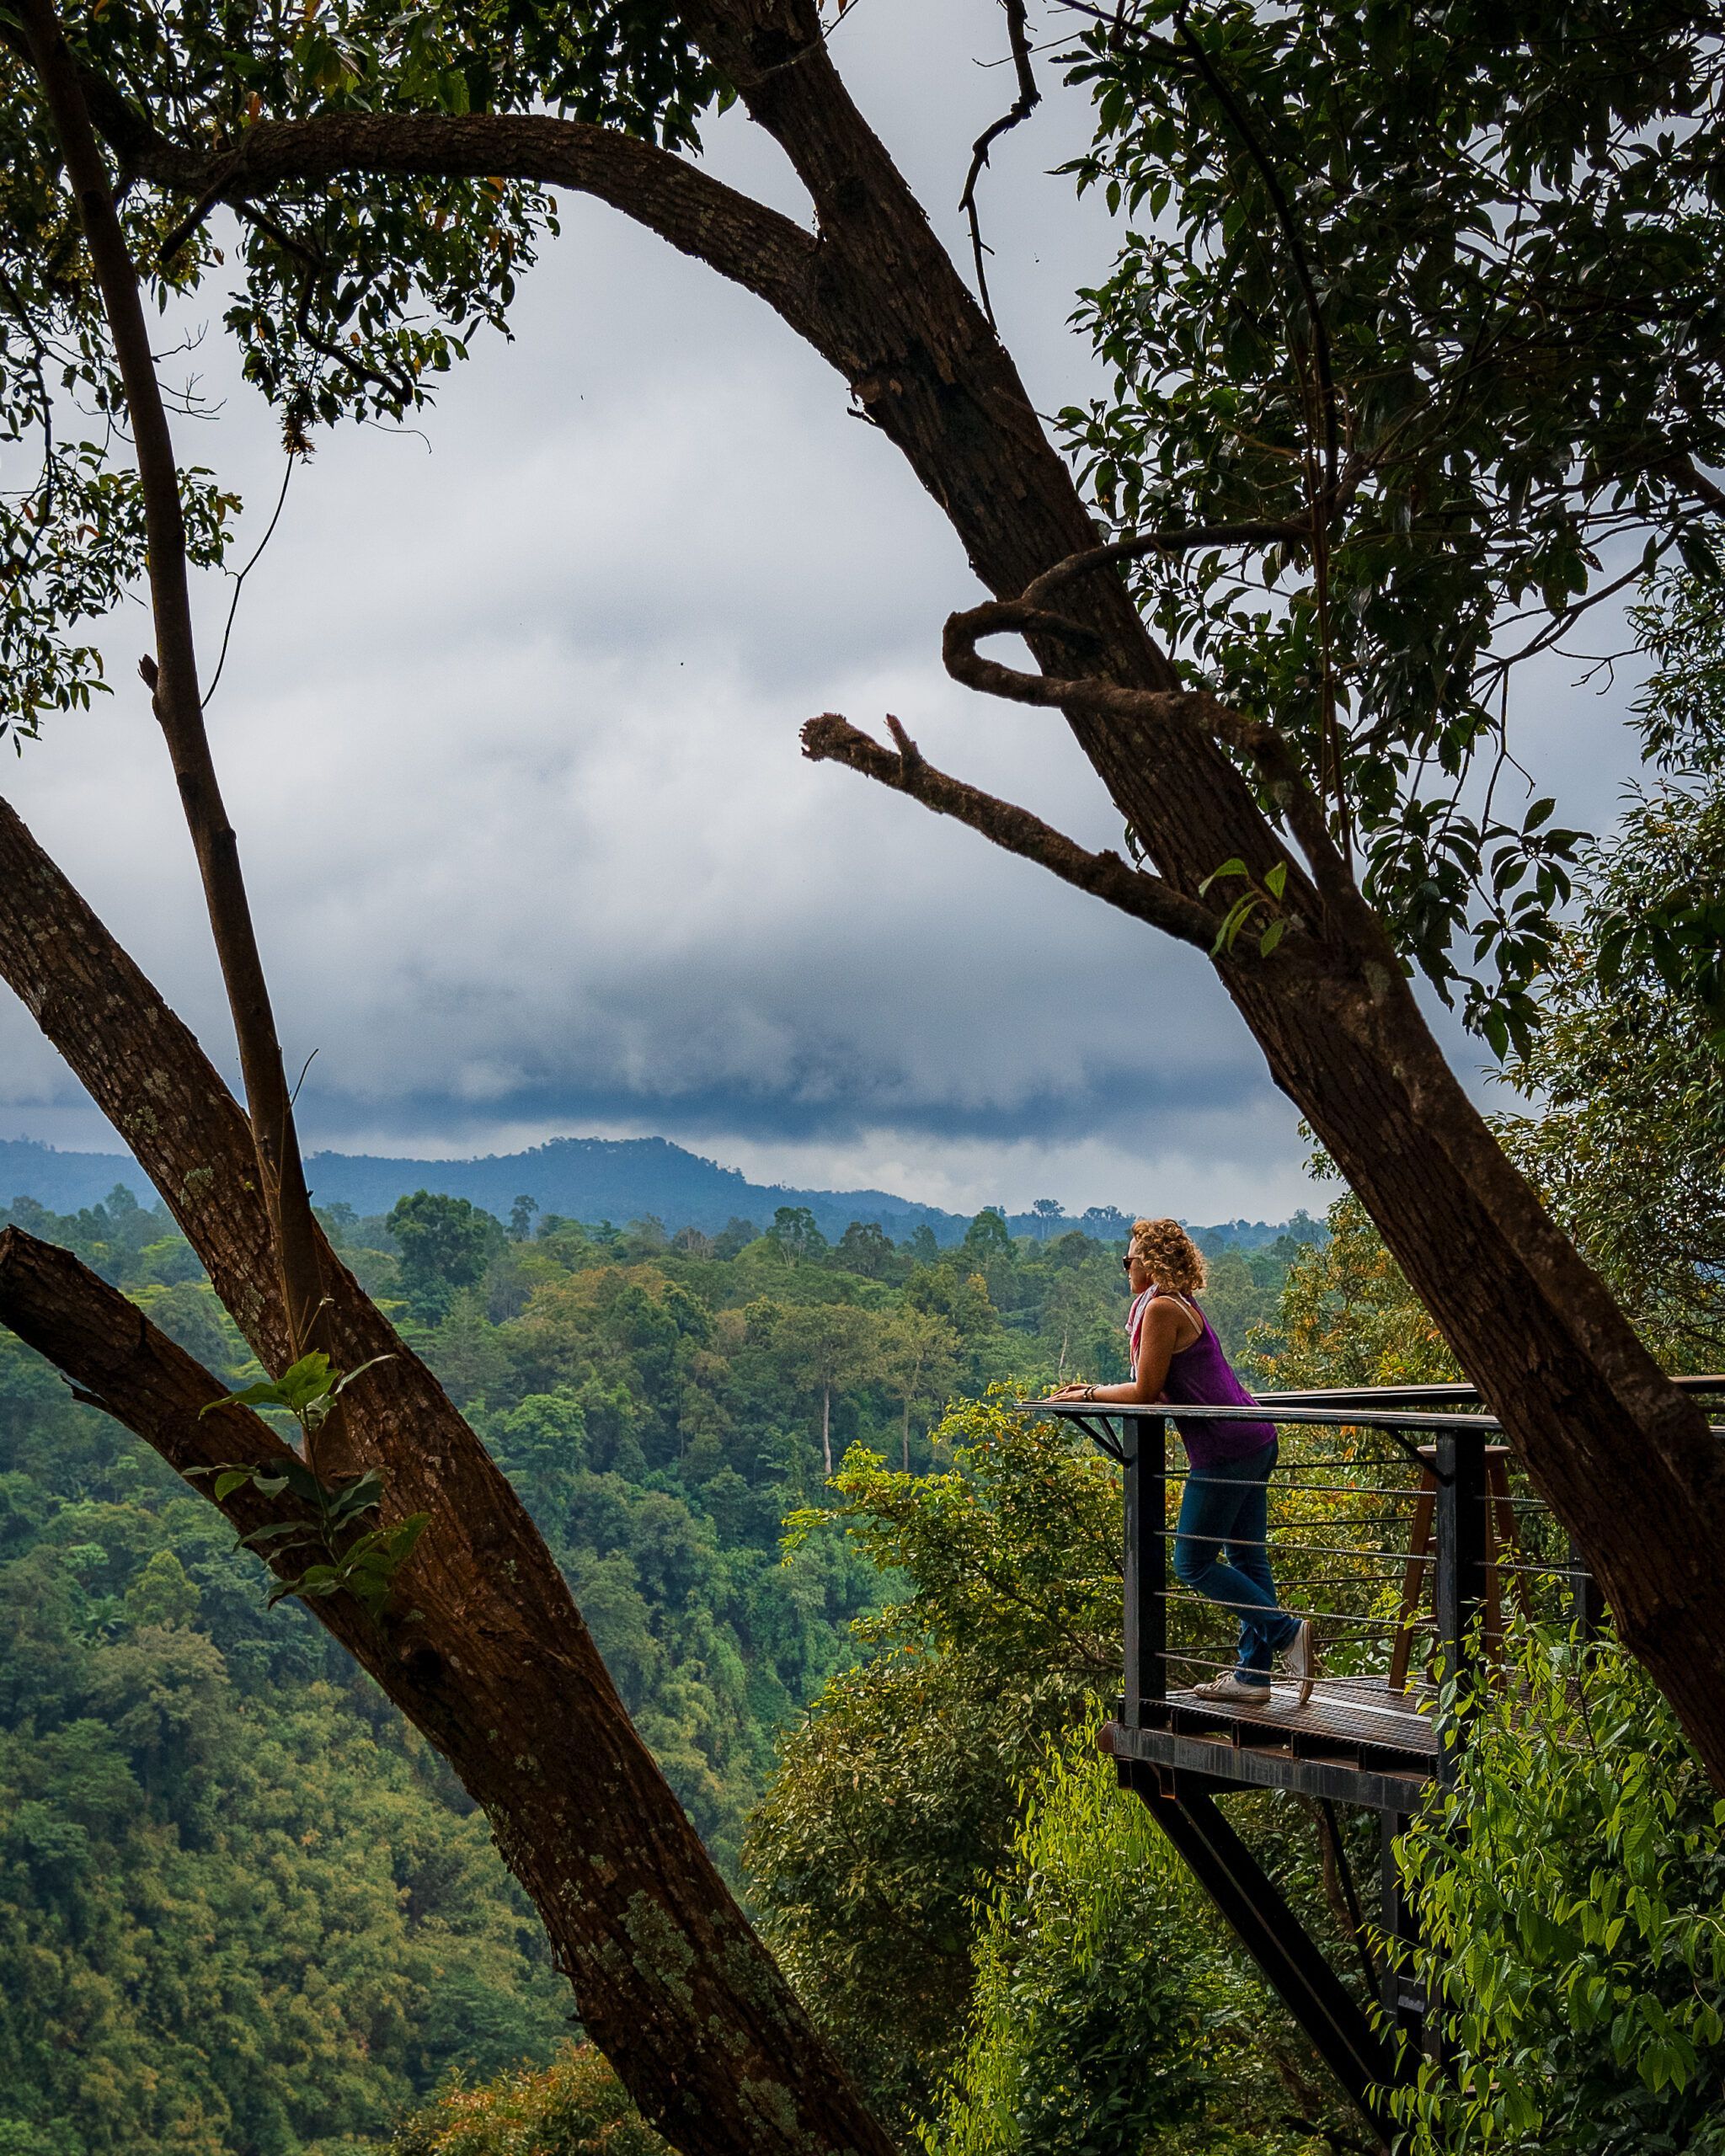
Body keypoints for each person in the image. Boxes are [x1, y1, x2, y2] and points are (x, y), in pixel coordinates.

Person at [1055, 1216, 1315, 1706]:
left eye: (1128, 1258)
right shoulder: (1176, 1303)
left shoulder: (1161, 1310)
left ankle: (1285, 1634)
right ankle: (1253, 1678)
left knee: (1192, 1561)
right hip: (1253, 1436)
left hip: (1226, 1448)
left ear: (1149, 1262)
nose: (1125, 1266)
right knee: (1245, 1555)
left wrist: (1089, 1392)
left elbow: (1146, 1391)